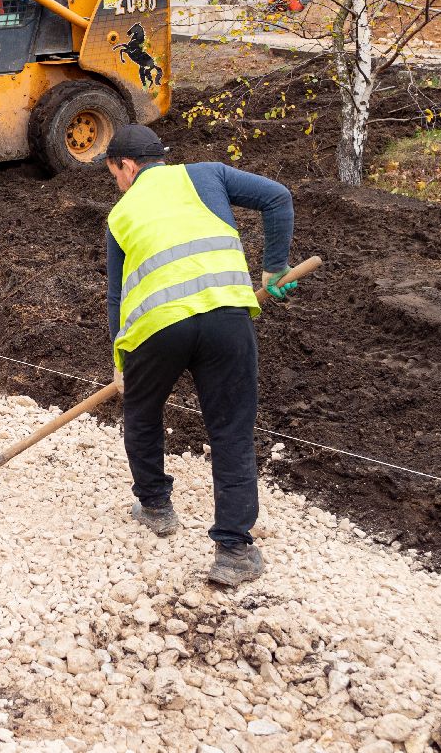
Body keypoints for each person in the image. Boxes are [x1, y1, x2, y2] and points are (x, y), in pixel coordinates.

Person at [102, 123, 297, 587]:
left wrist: (120, 359)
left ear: (126, 166)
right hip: (227, 317)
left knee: (143, 413)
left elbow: (116, 297)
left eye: (113, 173)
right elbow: (278, 198)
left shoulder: (121, 215)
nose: (116, 184)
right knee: (231, 429)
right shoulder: (209, 174)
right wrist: (274, 268)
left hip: (156, 329)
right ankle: (233, 550)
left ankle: (155, 507)